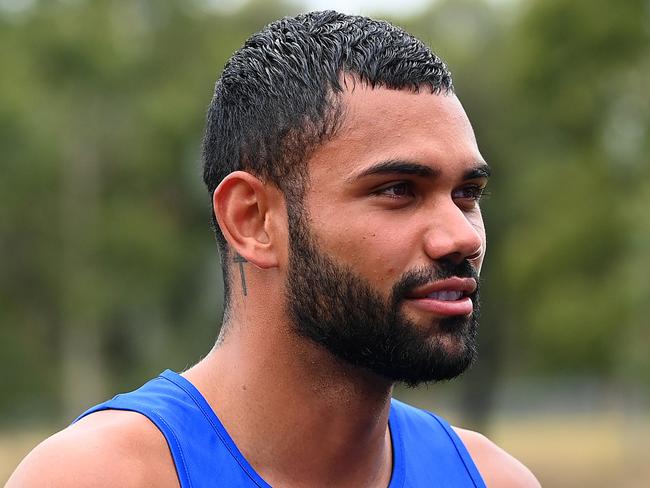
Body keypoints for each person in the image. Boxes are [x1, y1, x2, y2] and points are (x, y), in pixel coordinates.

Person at [8, 11, 540, 488]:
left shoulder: (490, 479)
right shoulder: (102, 477)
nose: (463, 237)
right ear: (253, 220)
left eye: (466, 195)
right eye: (398, 190)